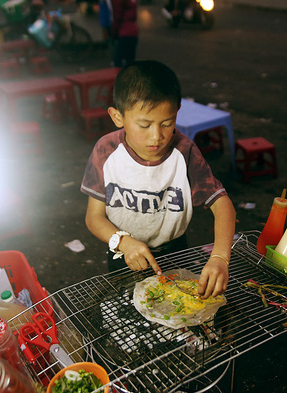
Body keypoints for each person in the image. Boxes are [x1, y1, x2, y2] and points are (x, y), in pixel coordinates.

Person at [81, 61, 236, 298]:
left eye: (167, 123)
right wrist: (122, 242)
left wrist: (219, 257)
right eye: (144, 125)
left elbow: (222, 204)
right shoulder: (106, 151)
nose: (157, 137)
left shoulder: (184, 151)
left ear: (177, 111)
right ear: (117, 117)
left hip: (175, 252)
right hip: (123, 253)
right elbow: (94, 217)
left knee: (178, 311)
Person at [111, 0, 138, 67]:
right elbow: (134, 16)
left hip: (123, 33)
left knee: (118, 61)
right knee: (130, 61)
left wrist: (113, 32)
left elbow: (117, 18)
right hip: (134, 32)